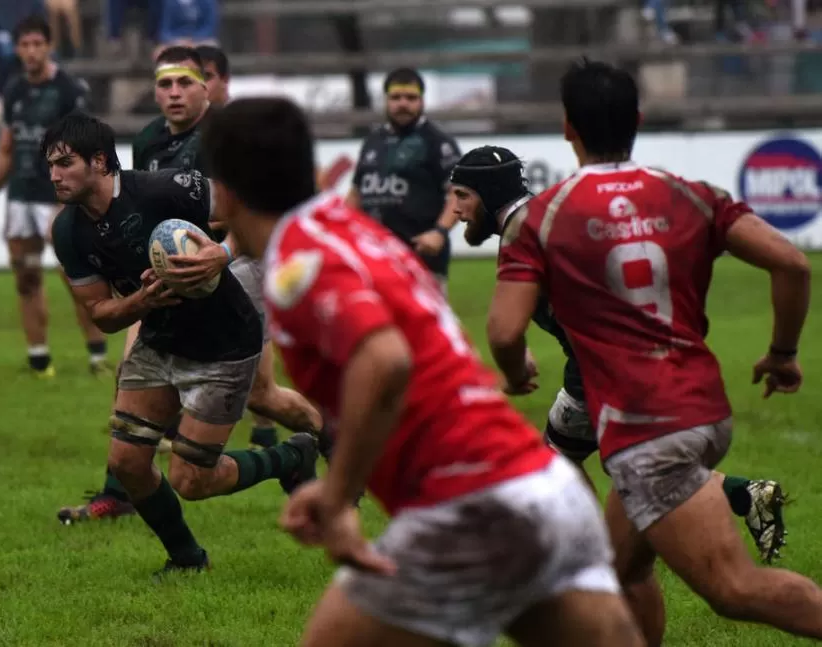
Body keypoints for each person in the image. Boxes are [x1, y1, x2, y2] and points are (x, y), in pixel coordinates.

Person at [202, 95, 645, 647]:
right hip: (543, 489)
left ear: (227, 187)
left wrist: (338, 497)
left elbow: (385, 361)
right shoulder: (348, 226)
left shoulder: (300, 262)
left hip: (470, 504)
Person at [490, 58, 822, 645]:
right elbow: (792, 262)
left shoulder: (546, 218)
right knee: (617, 571)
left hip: (648, 431)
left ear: (568, 127)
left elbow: (504, 332)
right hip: (701, 410)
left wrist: (516, 374)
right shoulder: (689, 194)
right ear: (638, 120)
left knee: (735, 589)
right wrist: (782, 352)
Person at [448, 144, 791, 564]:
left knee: (612, 469)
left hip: (605, 372)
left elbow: (509, 331)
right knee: (589, 461)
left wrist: (521, 367)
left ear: (487, 191)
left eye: (462, 194)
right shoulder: (554, 216)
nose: (455, 208)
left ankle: (606, 545)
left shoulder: (524, 236)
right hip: (630, 364)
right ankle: (733, 496)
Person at [56, 46, 330, 525]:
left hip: (238, 258)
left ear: (210, 85)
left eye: (186, 82)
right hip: (173, 276)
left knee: (261, 395)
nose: (175, 92)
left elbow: (252, 208)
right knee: (133, 373)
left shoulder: (223, 136)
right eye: (164, 84)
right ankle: (121, 487)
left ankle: (326, 439)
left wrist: (217, 255)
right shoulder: (147, 140)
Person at [0, 15, 108, 378]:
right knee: (26, 277)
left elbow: (84, 150)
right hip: (21, 196)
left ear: (48, 46)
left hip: (59, 197)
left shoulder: (68, 90)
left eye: (37, 44)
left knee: (75, 276)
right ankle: (39, 358)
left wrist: (71, 200)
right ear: (16, 49)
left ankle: (97, 356)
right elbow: (6, 149)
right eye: (24, 45)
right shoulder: (14, 90)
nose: (30, 51)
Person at [345, 68, 462, 294]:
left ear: (422, 100)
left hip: (422, 262)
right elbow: (357, 193)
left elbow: (458, 194)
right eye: (396, 98)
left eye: (411, 98)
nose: (403, 104)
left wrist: (439, 232)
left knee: (423, 329)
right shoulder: (373, 141)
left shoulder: (438, 142)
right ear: (386, 100)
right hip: (374, 260)